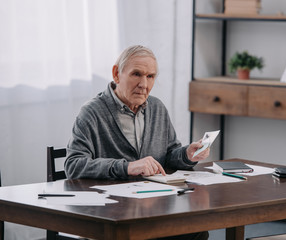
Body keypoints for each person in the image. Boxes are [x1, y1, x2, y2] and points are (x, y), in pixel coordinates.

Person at [65, 45, 209, 240]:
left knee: (197, 229)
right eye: (137, 74)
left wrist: (186, 155)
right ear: (117, 74)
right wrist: (127, 167)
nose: (144, 84)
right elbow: (73, 165)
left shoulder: (157, 108)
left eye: (150, 77)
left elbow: (168, 155)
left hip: (154, 208)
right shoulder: (92, 112)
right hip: (112, 213)